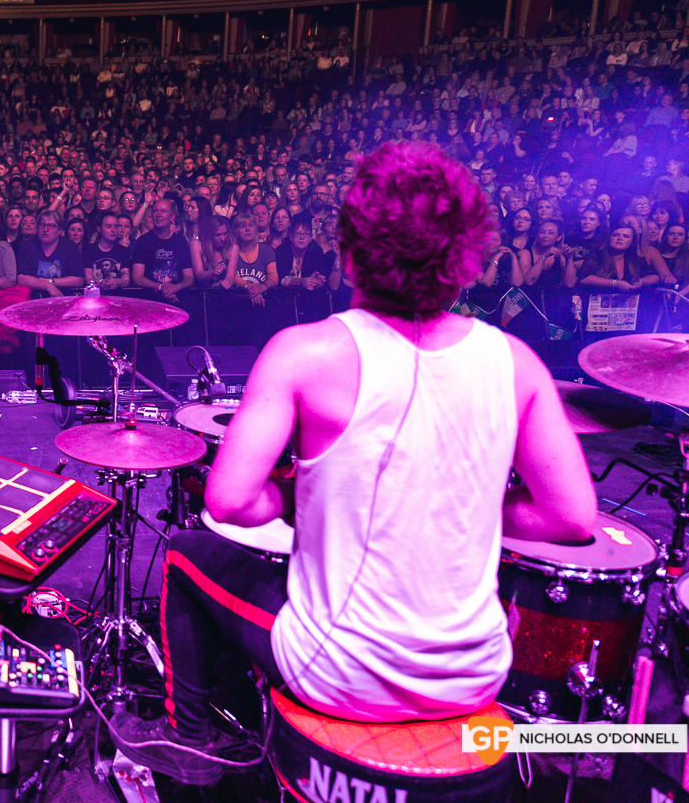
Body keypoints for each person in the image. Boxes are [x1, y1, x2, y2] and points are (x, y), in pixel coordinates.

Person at [113, 141, 597, 785]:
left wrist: (303, 496)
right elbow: (573, 518)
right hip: (473, 677)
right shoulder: (516, 363)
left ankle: (191, 743)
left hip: (340, 674)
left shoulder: (305, 351)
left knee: (184, 554)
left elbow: (227, 502)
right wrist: (457, 501)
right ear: (466, 256)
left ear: (348, 255)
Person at [130, 198, 194, 301]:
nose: (158, 215)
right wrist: (160, 287)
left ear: (172, 217)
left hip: (176, 299)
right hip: (150, 300)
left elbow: (189, 277)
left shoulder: (180, 241)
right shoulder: (143, 241)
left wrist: (175, 288)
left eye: (163, 211)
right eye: (155, 211)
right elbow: (137, 278)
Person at [17, 208, 85, 296]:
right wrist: (48, 286)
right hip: (33, 298)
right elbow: (21, 278)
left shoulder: (70, 247)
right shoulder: (28, 246)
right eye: (42, 225)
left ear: (59, 231)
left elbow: (79, 280)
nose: (45, 229)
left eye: (51, 226)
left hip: (63, 297)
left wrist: (50, 281)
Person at [85, 212, 133, 290]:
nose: (113, 230)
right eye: (108, 226)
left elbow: (127, 280)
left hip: (117, 295)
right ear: (99, 229)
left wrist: (118, 282)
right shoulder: (89, 250)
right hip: (95, 294)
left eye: (116, 226)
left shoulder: (123, 250)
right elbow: (87, 278)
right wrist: (99, 283)